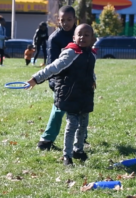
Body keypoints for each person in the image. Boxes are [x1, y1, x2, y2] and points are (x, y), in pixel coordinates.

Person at [26, 24, 96, 166]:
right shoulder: (71, 53)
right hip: (70, 95)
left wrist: (93, 80)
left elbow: (90, 71)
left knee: (83, 124)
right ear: (74, 37)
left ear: (93, 39)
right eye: (79, 34)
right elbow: (53, 67)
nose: (82, 37)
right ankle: (67, 156)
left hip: (85, 95)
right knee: (72, 125)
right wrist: (35, 79)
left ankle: (78, 150)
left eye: (86, 35)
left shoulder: (91, 54)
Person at [37, 6, 77, 151]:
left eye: (69, 20)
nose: (66, 23)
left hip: (78, 79)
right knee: (59, 109)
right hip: (61, 81)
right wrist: (53, 82)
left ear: (75, 19)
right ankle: (45, 141)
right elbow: (52, 63)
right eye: (62, 20)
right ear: (58, 21)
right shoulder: (55, 38)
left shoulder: (80, 34)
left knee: (79, 110)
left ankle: (80, 141)